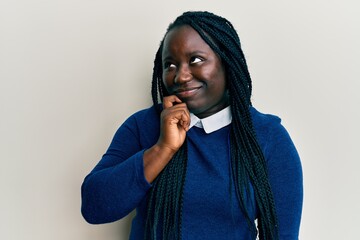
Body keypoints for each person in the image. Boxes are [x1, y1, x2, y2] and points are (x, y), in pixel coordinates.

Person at [81, 11, 303, 240]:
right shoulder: (143, 126)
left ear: (227, 63)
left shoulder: (268, 137)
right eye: (170, 65)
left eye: (195, 60)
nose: (181, 76)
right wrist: (162, 149)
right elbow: (94, 207)